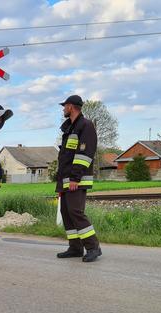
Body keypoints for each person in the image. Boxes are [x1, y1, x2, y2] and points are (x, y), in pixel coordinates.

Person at [56, 95, 102, 262]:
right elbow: (66, 155)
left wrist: (75, 178)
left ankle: (93, 247)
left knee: (76, 212)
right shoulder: (70, 128)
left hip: (76, 180)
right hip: (66, 180)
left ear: (71, 107)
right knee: (66, 213)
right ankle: (75, 248)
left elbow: (84, 154)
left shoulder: (85, 126)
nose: (63, 109)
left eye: (64, 106)